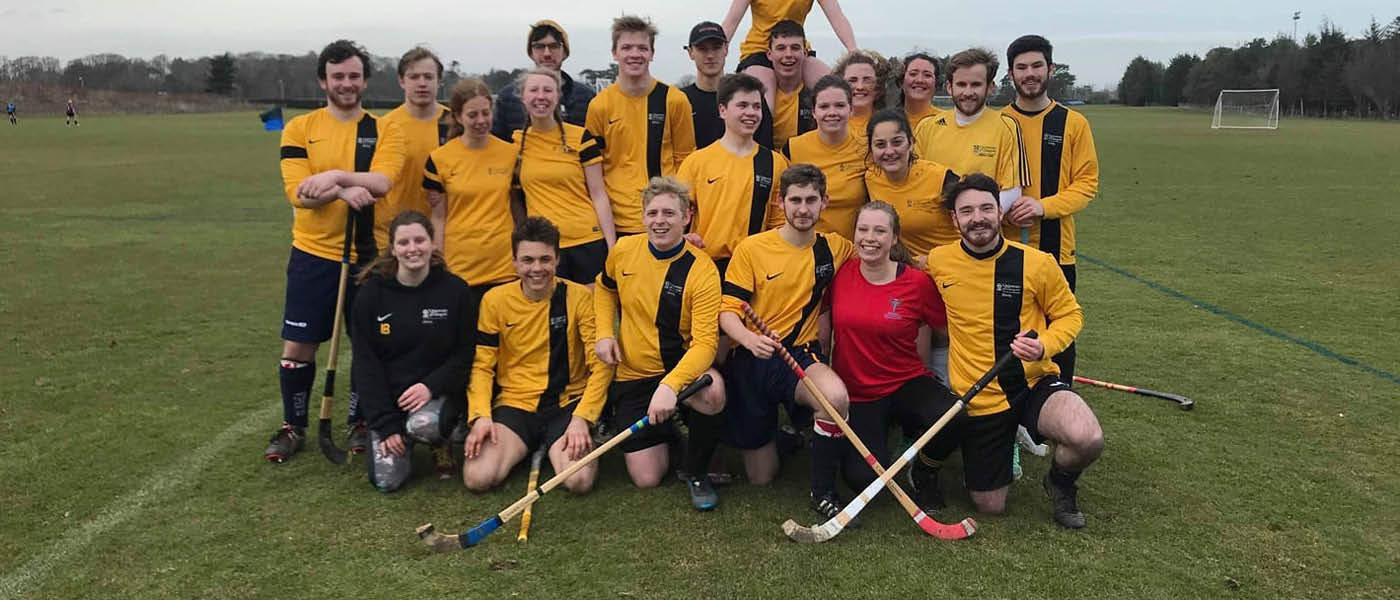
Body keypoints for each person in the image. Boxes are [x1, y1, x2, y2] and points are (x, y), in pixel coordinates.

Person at [923, 173, 1103, 529]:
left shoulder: (1036, 263)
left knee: (1087, 437)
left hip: (1031, 382)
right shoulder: (938, 261)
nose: (978, 217)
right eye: (967, 210)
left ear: (999, 213)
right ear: (954, 220)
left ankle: (1061, 483)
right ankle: (979, 456)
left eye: (987, 208)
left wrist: (1044, 346)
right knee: (989, 506)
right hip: (979, 397)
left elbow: (1070, 314)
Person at [266, 39, 406, 462]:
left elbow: (382, 183)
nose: (346, 84)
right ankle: (294, 426)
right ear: (322, 81)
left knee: (368, 343)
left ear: (365, 80)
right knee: (299, 345)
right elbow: (298, 194)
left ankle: (362, 422)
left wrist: (335, 178)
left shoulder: (385, 128)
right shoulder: (299, 129)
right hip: (313, 253)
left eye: (354, 76)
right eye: (338, 76)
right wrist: (345, 191)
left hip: (369, 254)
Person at [719, 163, 856, 520]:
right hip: (751, 357)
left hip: (799, 354)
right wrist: (749, 339)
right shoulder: (752, 249)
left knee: (835, 396)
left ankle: (822, 491)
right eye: (795, 199)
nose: (803, 209)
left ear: (824, 202)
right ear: (781, 201)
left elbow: (879, 260)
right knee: (761, 477)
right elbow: (727, 312)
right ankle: (790, 438)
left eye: (812, 200)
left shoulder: (836, 248)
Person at [594, 176, 727, 510]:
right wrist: (604, 334)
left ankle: (697, 471)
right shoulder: (623, 251)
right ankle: (673, 433)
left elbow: (705, 344)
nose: (659, 221)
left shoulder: (702, 270)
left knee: (713, 394)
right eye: (652, 213)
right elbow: (605, 288)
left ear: (686, 217)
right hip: (633, 375)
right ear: (642, 217)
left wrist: (670, 385)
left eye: (669, 213)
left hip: (677, 372)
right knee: (647, 478)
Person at [463, 217, 611, 494]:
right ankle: (528, 445)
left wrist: (583, 417)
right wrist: (481, 416)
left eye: (545, 259)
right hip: (515, 405)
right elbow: (482, 366)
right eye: (528, 260)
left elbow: (600, 366)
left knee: (579, 482)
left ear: (557, 259)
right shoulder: (494, 301)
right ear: (515, 262)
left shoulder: (578, 296)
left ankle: (576, 438)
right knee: (478, 478)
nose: (537, 268)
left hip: (567, 404)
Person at [828, 201, 953, 512]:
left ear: (894, 237)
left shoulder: (917, 282)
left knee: (952, 417)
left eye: (880, 230)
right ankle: (889, 432)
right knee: (861, 478)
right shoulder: (840, 274)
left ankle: (923, 470)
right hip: (859, 393)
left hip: (905, 381)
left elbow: (944, 331)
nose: (870, 238)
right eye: (863, 229)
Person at [352, 211, 477, 491]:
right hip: (390, 400)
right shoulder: (371, 296)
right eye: (404, 243)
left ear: (432, 243)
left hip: (435, 397)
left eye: (419, 240)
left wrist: (430, 386)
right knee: (387, 482)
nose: (413, 249)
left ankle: (439, 443)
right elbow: (365, 365)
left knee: (424, 425)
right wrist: (385, 424)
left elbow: (465, 355)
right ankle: (400, 439)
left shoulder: (455, 291)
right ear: (393, 249)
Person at [1001, 35, 1099, 385]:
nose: (1030, 74)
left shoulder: (1073, 123)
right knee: (1008, 327)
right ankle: (1012, 404)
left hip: (1057, 249)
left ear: (1050, 69)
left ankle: (1060, 394)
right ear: (1011, 73)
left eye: (1037, 66)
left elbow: (1086, 184)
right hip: (1006, 247)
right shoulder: (999, 123)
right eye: (1021, 67)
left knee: (1059, 327)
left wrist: (1042, 207)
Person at [585, 15, 696, 236]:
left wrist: (682, 217)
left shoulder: (674, 99)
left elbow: (685, 161)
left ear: (652, 54)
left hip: (665, 219)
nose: (635, 54)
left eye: (642, 48)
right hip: (618, 222)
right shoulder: (599, 106)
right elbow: (594, 172)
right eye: (626, 47)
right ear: (615, 53)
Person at [511, 68, 616, 286]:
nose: (541, 96)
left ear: (558, 96)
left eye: (548, 90)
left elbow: (598, 194)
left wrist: (612, 246)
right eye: (534, 90)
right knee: (553, 315)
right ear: (523, 97)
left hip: (587, 240)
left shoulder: (580, 137)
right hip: (545, 245)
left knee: (591, 315)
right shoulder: (515, 144)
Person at [677, 73, 789, 275]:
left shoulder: (775, 163)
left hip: (753, 269)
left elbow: (778, 224)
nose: (751, 112)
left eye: (756, 106)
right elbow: (676, 214)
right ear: (723, 110)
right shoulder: (697, 162)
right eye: (742, 105)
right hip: (703, 267)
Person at [423, 78, 518, 299]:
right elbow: (438, 216)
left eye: (486, 113)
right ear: (457, 116)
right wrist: (438, 262)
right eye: (472, 115)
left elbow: (515, 207)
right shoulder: (439, 159)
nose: (481, 120)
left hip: (504, 267)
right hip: (459, 268)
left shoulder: (510, 154)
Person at [913, 47, 1029, 220]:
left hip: (979, 235)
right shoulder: (927, 127)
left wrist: (974, 220)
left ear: (990, 87)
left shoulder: (1007, 127)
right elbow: (914, 182)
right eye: (961, 85)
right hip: (930, 236)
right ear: (949, 87)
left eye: (975, 85)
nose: (967, 92)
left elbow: (1012, 190)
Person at [720, 0, 857, 110]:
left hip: (795, 48)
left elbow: (837, 16)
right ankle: (763, 143)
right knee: (764, 101)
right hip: (759, 49)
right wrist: (720, 52)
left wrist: (853, 51)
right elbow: (732, 20)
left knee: (837, 89)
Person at [862, 109, 958, 266]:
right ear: (871, 150)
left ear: (911, 143)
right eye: (880, 145)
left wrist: (933, 261)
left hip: (948, 267)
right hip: (909, 272)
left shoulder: (940, 178)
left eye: (897, 142)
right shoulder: (870, 178)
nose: (889, 151)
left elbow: (973, 226)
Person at [377, 47, 451, 250]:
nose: (422, 83)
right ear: (402, 81)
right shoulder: (384, 126)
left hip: (445, 234)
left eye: (428, 77)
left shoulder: (455, 124)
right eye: (414, 77)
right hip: (396, 234)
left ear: (439, 81)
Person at [782, 75, 867, 239]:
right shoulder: (793, 148)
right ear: (814, 112)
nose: (832, 112)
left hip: (854, 250)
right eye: (824, 106)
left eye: (840, 105)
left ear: (851, 110)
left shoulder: (867, 148)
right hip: (807, 246)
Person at [491, 20, 596, 142]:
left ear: (565, 52)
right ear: (531, 52)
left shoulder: (586, 97)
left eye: (554, 46)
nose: (547, 53)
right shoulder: (508, 98)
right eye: (539, 47)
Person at [755, 19, 816, 151]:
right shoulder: (757, 97)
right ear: (769, 54)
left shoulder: (815, 95)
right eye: (781, 48)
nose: (788, 55)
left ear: (805, 53)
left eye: (795, 48)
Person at [680, 21, 730, 150]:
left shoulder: (747, 99)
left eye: (716, 47)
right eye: (702, 49)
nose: (710, 55)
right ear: (690, 52)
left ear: (726, 49)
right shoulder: (679, 100)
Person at [832, 50, 891, 142]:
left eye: (867, 80)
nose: (860, 87)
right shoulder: (829, 125)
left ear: (879, 86)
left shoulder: (890, 125)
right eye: (852, 80)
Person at [898, 52, 941, 127]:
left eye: (927, 75)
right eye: (913, 74)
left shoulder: (946, 120)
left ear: (936, 84)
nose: (919, 80)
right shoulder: (885, 121)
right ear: (901, 82)